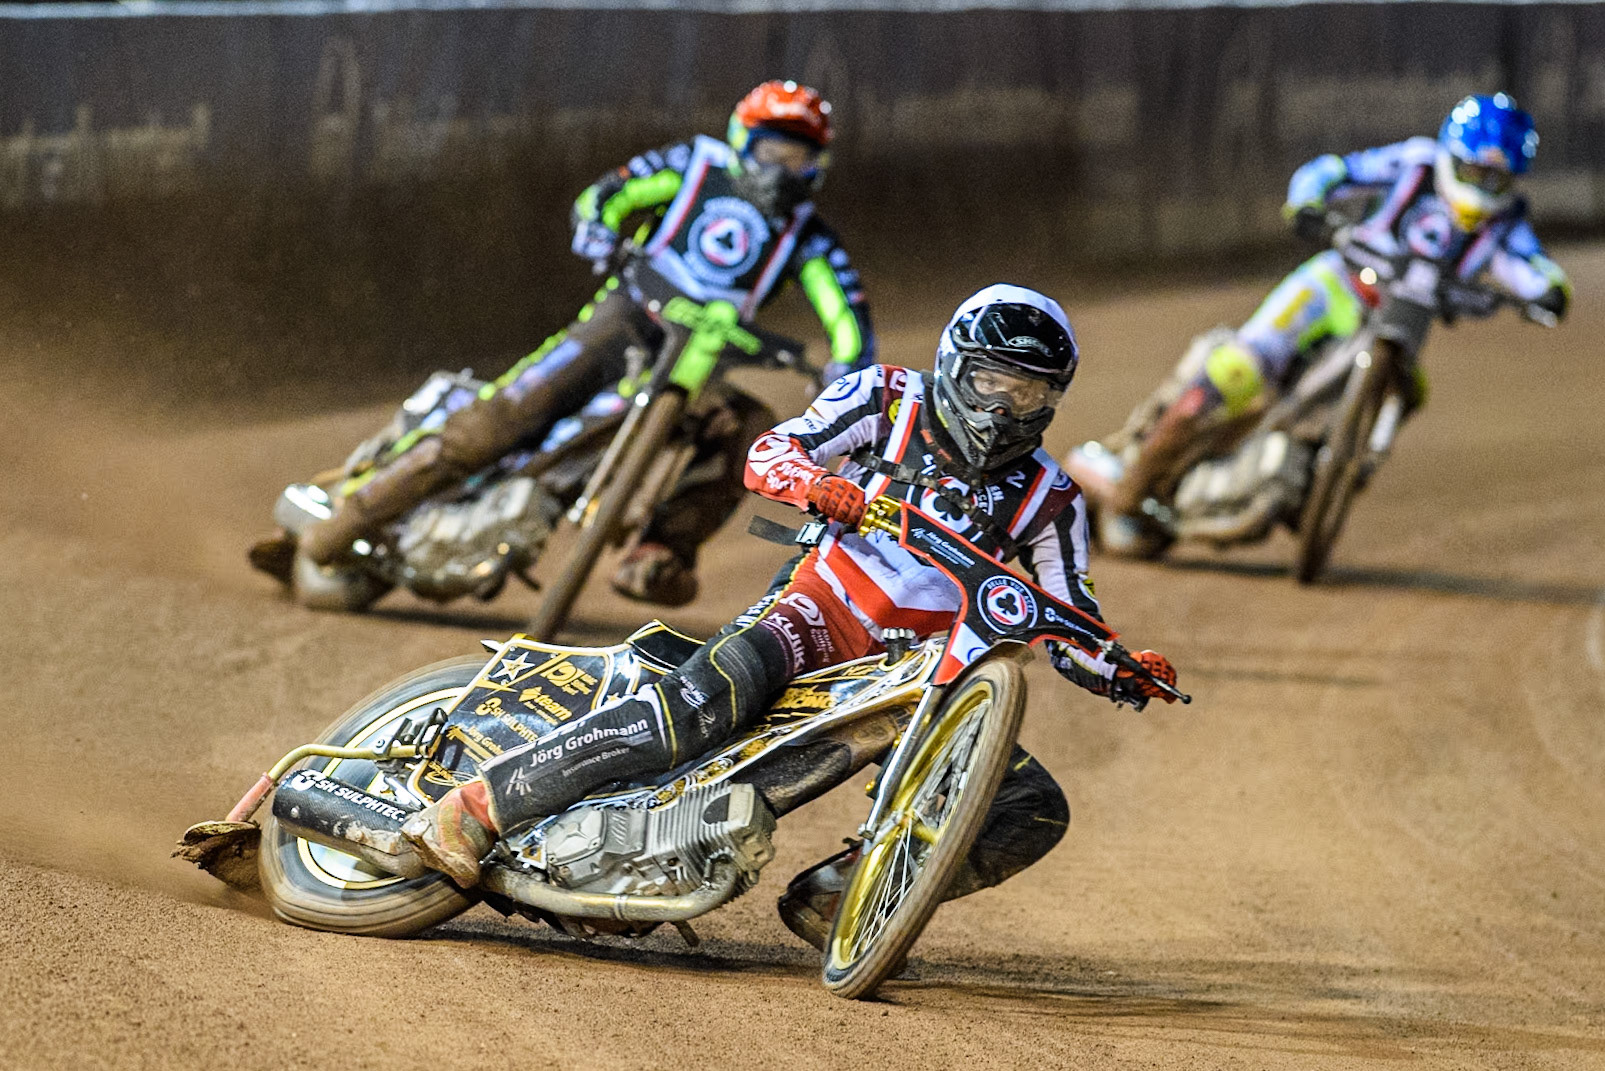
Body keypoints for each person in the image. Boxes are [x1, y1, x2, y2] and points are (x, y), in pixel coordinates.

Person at [398, 284, 1179, 950]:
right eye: (992, 384)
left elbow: (1069, 613)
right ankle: (474, 808)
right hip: (819, 610)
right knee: (703, 704)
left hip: (919, 676)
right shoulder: (884, 397)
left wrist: (1122, 666)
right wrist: (818, 484)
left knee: (1029, 809)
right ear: (951, 366)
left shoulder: (1052, 496)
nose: (1007, 409)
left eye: (1031, 395)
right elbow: (770, 451)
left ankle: (846, 896)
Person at [298, 80, 876, 605]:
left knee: (746, 429)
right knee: (500, 420)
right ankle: (352, 514)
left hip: (694, 364)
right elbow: (608, 194)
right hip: (621, 320)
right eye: (771, 148)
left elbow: (847, 316)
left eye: (795, 155)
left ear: (814, 166)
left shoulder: (811, 238)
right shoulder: (694, 164)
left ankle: (658, 554)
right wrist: (600, 229)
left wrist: (845, 367)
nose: (779, 167)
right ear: (743, 139)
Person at [1095, 93, 1571, 553]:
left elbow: (1533, 268)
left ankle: (1334, 479)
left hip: (1403, 325)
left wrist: (1551, 293)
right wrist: (1309, 204)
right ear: (1452, 155)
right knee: (1238, 369)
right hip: (1336, 287)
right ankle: (1132, 490)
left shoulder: (1506, 224)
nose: (1484, 188)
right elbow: (1332, 171)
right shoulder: (1414, 164)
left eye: (1497, 181)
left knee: (1413, 391)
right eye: (1475, 172)